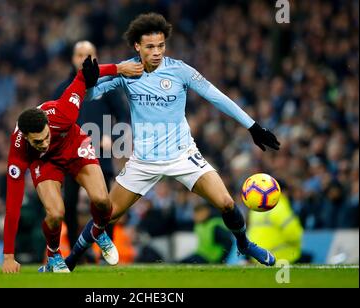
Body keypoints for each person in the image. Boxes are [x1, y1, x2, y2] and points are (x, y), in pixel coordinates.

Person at [66, 13, 280, 270]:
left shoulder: (180, 70)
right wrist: (88, 81)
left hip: (182, 155)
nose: (157, 52)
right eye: (150, 47)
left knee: (226, 203)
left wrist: (253, 127)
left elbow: (217, 96)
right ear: (137, 46)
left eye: (161, 45)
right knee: (105, 215)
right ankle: (70, 260)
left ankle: (244, 244)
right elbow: (90, 97)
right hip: (144, 161)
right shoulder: (126, 70)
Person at [2, 56, 142, 273]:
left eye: (46, 136)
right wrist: (9, 256)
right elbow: (12, 205)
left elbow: (83, 76)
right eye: (37, 141)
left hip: (73, 146)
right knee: (56, 213)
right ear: (27, 138)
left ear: (48, 125)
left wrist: (119, 68)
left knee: (103, 202)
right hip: (45, 162)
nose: (44, 143)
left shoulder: (64, 111)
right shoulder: (19, 151)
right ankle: (54, 255)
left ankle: (98, 231)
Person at [52, 41, 130, 247]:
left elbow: (124, 115)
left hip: (99, 155)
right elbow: (51, 122)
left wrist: (112, 137)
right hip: (70, 157)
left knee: (103, 202)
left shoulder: (106, 86)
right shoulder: (62, 89)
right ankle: (76, 250)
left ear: (96, 57)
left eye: (89, 54)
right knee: (69, 204)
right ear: (72, 58)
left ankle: (108, 246)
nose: (84, 59)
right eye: (80, 55)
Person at [247, 185, 304, 264]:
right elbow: (294, 234)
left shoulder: (255, 210)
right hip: (280, 257)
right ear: (283, 192)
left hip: (258, 257)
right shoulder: (280, 207)